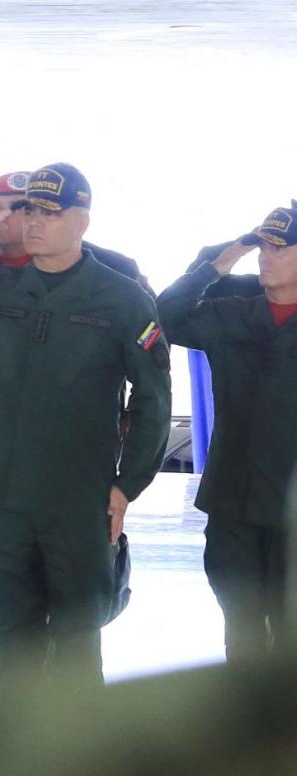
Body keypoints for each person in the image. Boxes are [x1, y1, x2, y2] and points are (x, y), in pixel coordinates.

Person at [0, 163, 171, 688]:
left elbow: (154, 396)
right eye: (28, 211)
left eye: (49, 211)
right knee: (6, 649)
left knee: (75, 647)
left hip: (77, 502)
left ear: (82, 220)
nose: (34, 222)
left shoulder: (121, 298)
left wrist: (127, 483)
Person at [156, 202, 297, 661]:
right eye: (264, 246)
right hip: (233, 502)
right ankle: (250, 725)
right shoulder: (232, 312)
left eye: (281, 248)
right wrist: (221, 260)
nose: (266, 256)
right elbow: (166, 315)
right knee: (242, 631)